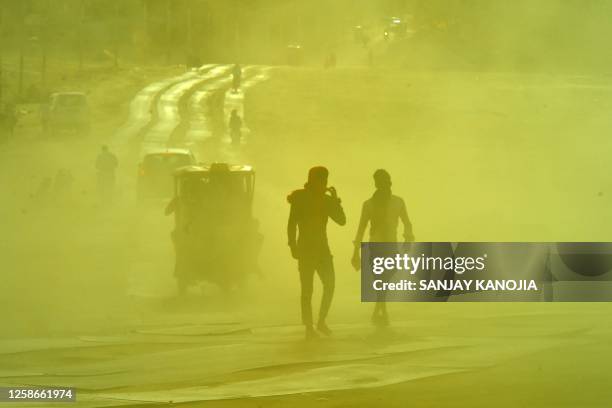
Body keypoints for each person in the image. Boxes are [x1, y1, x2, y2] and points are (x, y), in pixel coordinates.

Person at [287, 166, 346, 339]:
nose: (325, 183)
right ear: (313, 180)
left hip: (322, 250)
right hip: (305, 250)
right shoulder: (300, 198)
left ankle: (321, 321)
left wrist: (336, 201)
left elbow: (342, 221)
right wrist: (292, 246)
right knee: (307, 290)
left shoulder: (326, 200)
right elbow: (291, 224)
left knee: (330, 284)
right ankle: (309, 327)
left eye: (326, 180)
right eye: (322, 180)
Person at [352, 169, 414, 327]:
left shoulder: (398, 201)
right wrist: (355, 252)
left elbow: (407, 222)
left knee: (387, 275)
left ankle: (379, 308)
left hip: (391, 246)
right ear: (376, 184)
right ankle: (382, 310)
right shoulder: (368, 204)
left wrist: (408, 239)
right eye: (378, 182)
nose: (381, 185)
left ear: (389, 182)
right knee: (381, 278)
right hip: (376, 246)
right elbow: (361, 228)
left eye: (383, 181)